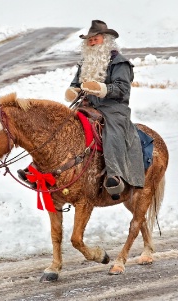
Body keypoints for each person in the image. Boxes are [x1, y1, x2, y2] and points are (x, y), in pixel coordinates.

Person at [65, 20, 145, 199]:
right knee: (63, 125)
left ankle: (114, 176)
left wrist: (103, 90)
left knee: (113, 130)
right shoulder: (85, 63)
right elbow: (76, 84)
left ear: (106, 40)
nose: (92, 42)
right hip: (87, 106)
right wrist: (72, 91)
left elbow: (122, 89)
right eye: (90, 40)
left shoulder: (120, 63)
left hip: (113, 108)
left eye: (96, 39)